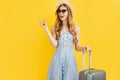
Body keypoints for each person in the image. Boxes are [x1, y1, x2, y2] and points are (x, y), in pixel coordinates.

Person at [39, 0, 91, 80]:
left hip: (70, 62)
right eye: (59, 11)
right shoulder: (55, 28)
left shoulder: (76, 28)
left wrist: (84, 48)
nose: (61, 13)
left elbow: (77, 47)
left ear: (68, 12)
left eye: (63, 11)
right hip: (57, 61)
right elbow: (54, 44)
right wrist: (46, 29)